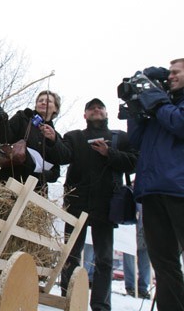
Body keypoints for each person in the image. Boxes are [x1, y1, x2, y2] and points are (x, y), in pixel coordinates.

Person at [60, 98, 138, 311]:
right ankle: (68, 301)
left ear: (106, 113)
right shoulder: (74, 137)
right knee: (71, 255)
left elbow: (134, 162)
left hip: (107, 205)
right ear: (85, 115)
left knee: (104, 260)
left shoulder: (120, 137)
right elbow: (62, 155)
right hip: (77, 203)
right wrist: (51, 139)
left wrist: (109, 152)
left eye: (99, 108)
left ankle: (101, 306)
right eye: (91, 108)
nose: (95, 110)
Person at [127, 59, 184, 310]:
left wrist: (157, 99)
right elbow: (135, 140)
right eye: (168, 73)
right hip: (151, 190)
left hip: (179, 190)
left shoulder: (166, 105)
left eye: (176, 72)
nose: (170, 76)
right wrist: (136, 108)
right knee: (164, 263)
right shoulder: (160, 107)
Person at [0, 90, 70, 192]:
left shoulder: (56, 136)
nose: (43, 102)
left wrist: (53, 140)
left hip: (35, 190)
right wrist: (2, 120)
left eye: (48, 101)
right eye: (40, 100)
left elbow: (58, 167)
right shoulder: (23, 117)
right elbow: (5, 138)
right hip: (10, 179)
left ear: (56, 108)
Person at [122, 203, 151, 299]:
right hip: (131, 230)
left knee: (145, 256)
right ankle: (131, 286)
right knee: (129, 256)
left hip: (145, 230)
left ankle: (143, 287)